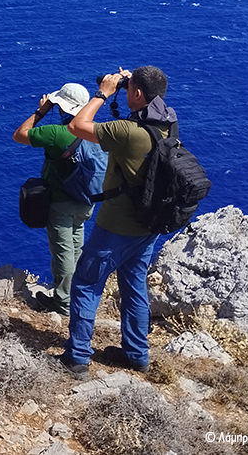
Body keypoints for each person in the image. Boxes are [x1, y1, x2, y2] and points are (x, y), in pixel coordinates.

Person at [57, 66, 175, 379]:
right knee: (134, 285)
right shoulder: (168, 122)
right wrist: (129, 83)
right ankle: (137, 354)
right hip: (148, 225)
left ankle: (77, 356)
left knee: (86, 282)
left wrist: (103, 93)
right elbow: (145, 97)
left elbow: (77, 126)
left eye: (129, 88)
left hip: (116, 226)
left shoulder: (126, 132)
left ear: (136, 93)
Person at [12, 82, 95, 317]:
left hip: (61, 203)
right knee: (77, 249)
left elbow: (20, 135)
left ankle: (64, 303)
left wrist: (42, 110)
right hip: (87, 201)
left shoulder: (58, 133)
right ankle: (78, 295)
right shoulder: (95, 130)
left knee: (63, 253)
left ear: (62, 106)